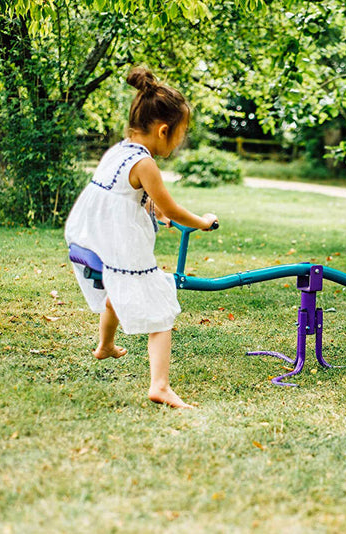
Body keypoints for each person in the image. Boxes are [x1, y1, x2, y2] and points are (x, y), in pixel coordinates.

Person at [65, 67, 217, 408]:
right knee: (161, 310)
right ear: (164, 130)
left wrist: (154, 210)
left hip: (91, 236)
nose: (179, 141)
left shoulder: (120, 151)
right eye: (180, 134)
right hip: (119, 243)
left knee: (116, 289)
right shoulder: (146, 164)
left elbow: (129, 193)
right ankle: (159, 386)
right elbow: (173, 208)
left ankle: (105, 346)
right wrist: (203, 222)